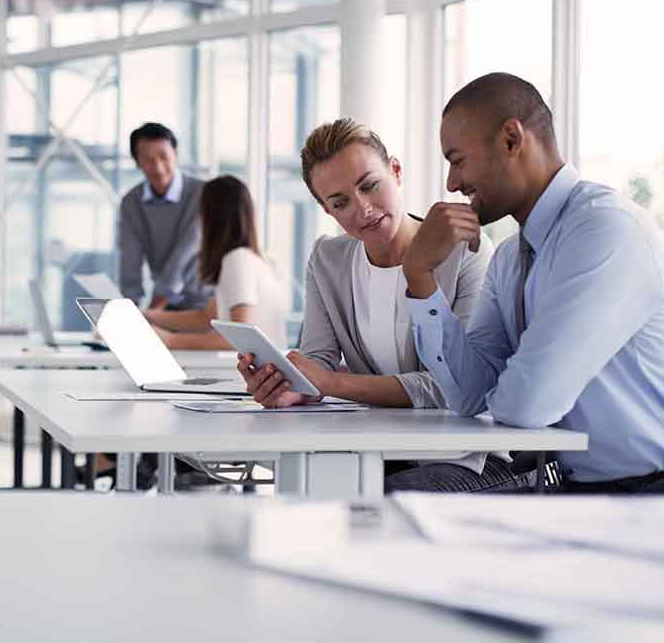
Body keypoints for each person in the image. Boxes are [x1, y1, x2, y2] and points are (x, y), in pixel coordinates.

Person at [399, 72, 664, 494]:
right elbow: (469, 396)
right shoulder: (509, 258)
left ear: (510, 139)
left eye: (457, 159)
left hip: (647, 497)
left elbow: (527, 405)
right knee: (397, 503)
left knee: (407, 506)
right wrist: (419, 276)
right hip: (580, 492)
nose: (451, 183)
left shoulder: (605, 230)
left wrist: (502, 390)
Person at [238, 118, 526, 493]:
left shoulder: (465, 252)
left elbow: (455, 386)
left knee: (365, 503)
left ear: (395, 171)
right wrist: (293, 385)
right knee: (308, 491)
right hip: (383, 452)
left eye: (370, 186)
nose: (363, 209)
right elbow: (317, 359)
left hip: (468, 458)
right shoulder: (328, 259)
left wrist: (332, 383)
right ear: (327, 210)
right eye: (340, 202)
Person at [145, 175, 286, 350]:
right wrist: (149, 316)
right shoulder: (256, 259)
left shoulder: (237, 261)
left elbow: (241, 340)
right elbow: (206, 317)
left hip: (253, 373)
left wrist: (170, 340)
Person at [118, 122, 211, 310]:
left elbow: (185, 252)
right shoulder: (131, 202)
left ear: (175, 155)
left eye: (163, 157)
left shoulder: (203, 194)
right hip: (166, 303)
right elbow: (130, 257)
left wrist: (153, 310)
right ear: (137, 162)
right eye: (148, 160)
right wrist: (127, 310)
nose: (158, 168)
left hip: (206, 302)